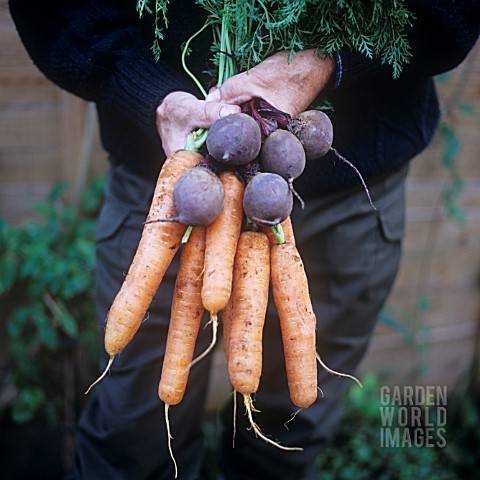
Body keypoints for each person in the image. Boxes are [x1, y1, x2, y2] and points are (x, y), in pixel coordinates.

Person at [9, 1, 480, 479]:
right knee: (132, 440)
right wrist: (144, 88)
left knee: (288, 440)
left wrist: (323, 60)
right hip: (167, 189)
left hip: (350, 198)